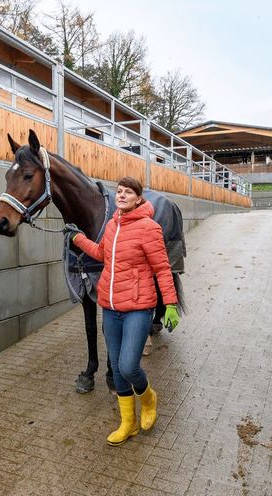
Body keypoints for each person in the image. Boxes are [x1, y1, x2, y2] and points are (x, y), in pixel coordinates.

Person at [71, 176, 180, 446]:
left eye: (128, 192)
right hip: (110, 308)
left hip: (138, 309)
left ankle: (149, 399)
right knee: (118, 371)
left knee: (129, 366)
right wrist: (78, 239)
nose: (121, 195)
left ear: (138, 198)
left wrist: (170, 304)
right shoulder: (111, 226)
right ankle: (128, 423)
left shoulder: (149, 228)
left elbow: (162, 269)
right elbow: (101, 253)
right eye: (119, 191)